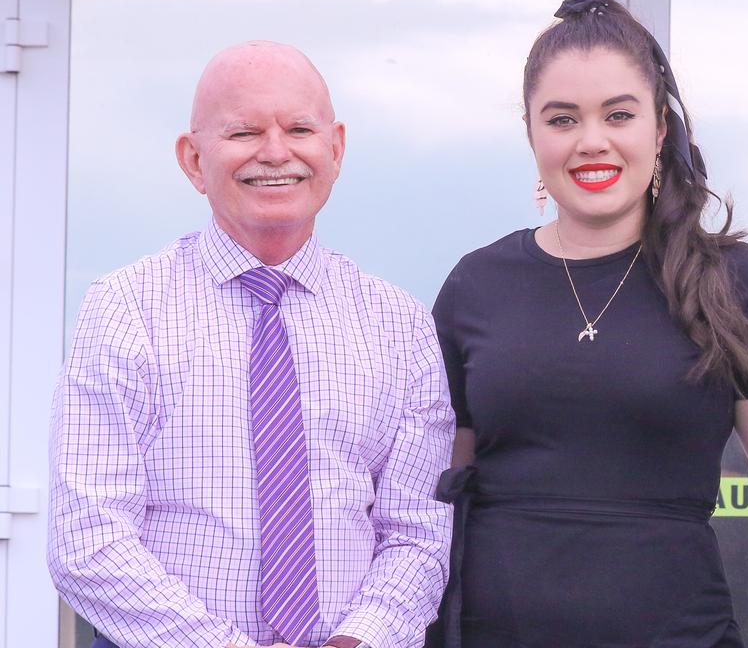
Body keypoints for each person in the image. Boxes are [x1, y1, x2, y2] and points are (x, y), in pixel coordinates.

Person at [47, 41, 455, 648]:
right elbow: (87, 538)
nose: (274, 152)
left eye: (298, 128)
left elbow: (418, 529)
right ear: (192, 159)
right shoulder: (124, 309)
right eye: (242, 132)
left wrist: (363, 639)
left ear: (335, 148)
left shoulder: (399, 324)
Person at [429, 0, 748, 647]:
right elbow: (429, 508)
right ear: (530, 132)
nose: (591, 141)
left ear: (659, 128)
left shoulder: (732, 284)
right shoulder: (475, 285)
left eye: (619, 114)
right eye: (562, 119)